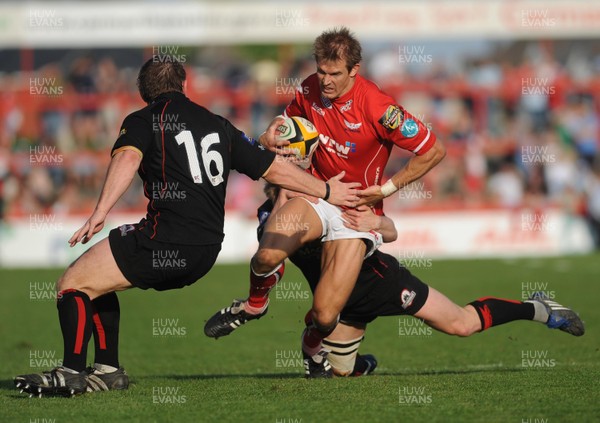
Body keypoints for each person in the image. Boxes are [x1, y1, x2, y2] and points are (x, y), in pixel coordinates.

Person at [13, 57, 362, 397]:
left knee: (72, 283)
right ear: (183, 84)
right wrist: (328, 189)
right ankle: (107, 371)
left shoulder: (144, 119)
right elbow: (271, 168)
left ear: (142, 90)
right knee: (98, 283)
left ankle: (70, 372)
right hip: (207, 249)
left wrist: (100, 211)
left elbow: (128, 157)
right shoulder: (216, 122)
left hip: (165, 239)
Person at [204, 27, 446, 376]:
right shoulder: (308, 87)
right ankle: (255, 305)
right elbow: (286, 120)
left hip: (355, 212)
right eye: (321, 71)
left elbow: (433, 150)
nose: (326, 80)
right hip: (319, 194)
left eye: (334, 73)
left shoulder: (379, 107)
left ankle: (313, 344)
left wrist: (387, 189)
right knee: (268, 254)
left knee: (325, 315)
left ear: (354, 69)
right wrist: (273, 129)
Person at [261, 184, 586, 377]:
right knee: (343, 374)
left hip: (382, 283)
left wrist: (377, 220)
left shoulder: (325, 203)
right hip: (339, 305)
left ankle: (538, 308)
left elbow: (391, 231)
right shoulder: (271, 221)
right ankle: (358, 361)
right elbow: (269, 250)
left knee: (461, 325)